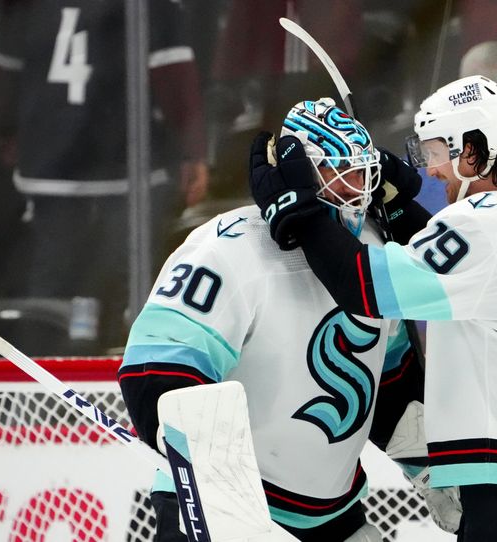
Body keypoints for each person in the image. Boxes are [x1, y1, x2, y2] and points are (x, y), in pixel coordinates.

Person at [250, 75, 497, 541]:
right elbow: (463, 264)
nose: (429, 170)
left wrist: (297, 210)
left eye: (436, 153)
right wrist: (390, 201)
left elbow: (361, 286)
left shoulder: (486, 229)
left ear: (472, 151)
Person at [119, 98, 457, 541]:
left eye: (361, 171)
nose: (356, 186)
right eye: (339, 171)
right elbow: (157, 371)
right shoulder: (228, 248)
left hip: (333, 514)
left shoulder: (372, 255)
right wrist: (220, 493)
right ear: (300, 173)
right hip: (221, 509)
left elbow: (388, 381)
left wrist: (431, 467)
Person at [0, 0, 209, 350]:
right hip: (123, 166)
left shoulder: (28, 7)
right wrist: (192, 151)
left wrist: (8, 131)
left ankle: (48, 375)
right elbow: (173, 75)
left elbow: (3, 73)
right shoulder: (149, 6)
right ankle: (110, 370)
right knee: (121, 283)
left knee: (53, 283)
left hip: (52, 166)